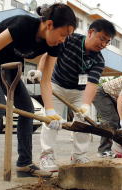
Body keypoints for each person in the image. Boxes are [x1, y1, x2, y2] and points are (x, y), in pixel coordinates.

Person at [0, 3, 76, 178]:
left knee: (27, 109)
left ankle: (24, 164)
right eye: (63, 34)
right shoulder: (22, 25)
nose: (63, 39)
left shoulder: (55, 44)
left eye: (67, 36)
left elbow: (46, 80)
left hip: (9, 66)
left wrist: (50, 112)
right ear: (49, 25)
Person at [28, 19, 116, 172]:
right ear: (90, 32)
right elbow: (48, 55)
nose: (103, 44)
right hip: (56, 86)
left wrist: (86, 105)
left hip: (79, 91)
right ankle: (46, 156)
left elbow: (92, 84)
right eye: (102, 38)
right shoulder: (70, 40)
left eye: (107, 42)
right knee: (51, 119)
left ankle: (79, 155)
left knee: (86, 120)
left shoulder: (99, 60)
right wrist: (41, 72)